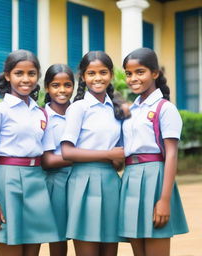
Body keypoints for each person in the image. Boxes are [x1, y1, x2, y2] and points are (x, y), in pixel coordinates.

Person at [0, 49, 59, 256]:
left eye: (31, 73)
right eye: (19, 73)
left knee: (33, 249)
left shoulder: (41, 113)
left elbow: (48, 156)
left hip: (37, 181)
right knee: (11, 246)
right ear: (7, 76)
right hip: (8, 180)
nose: (26, 79)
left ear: (38, 76)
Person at [118, 47, 189, 256]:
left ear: (155, 73)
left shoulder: (165, 108)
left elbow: (172, 155)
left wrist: (164, 200)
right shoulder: (131, 110)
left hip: (155, 179)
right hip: (130, 180)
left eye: (140, 72)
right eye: (128, 73)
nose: (133, 78)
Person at [60, 51, 125, 256]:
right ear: (83, 77)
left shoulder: (118, 108)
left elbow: (120, 153)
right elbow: (67, 151)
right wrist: (107, 155)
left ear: (111, 75)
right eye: (91, 73)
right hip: (83, 182)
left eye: (103, 72)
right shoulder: (78, 108)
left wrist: (116, 161)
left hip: (111, 181)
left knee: (109, 251)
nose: (98, 78)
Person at [41, 64, 75, 256]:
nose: (62, 90)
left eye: (67, 85)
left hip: (80, 177)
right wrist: (83, 156)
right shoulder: (43, 116)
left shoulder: (80, 112)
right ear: (47, 87)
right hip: (56, 183)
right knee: (58, 238)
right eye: (55, 85)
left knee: (84, 233)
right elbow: (47, 161)